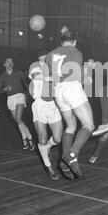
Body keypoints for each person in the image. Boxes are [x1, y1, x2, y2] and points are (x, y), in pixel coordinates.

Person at [45, 26, 95, 177]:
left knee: (71, 126)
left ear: (61, 41)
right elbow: (79, 76)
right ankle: (72, 154)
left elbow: (52, 77)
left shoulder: (50, 54)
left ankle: (64, 161)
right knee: (88, 125)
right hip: (72, 88)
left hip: (58, 92)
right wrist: (89, 72)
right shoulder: (76, 52)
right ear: (74, 42)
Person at [28, 50, 73, 180]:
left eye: (46, 59)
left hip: (54, 105)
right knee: (42, 137)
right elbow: (35, 76)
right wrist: (51, 78)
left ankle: (47, 147)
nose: (43, 62)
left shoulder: (55, 70)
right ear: (38, 60)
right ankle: (48, 166)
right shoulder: (35, 67)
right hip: (39, 105)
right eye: (41, 60)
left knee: (58, 139)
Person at [0, 57, 34, 150]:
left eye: (11, 62)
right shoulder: (2, 76)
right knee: (18, 120)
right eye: (8, 62)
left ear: (13, 64)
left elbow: (26, 84)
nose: (10, 63)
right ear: (4, 64)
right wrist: (5, 89)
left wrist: (27, 94)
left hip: (20, 96)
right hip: (10, 98)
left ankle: (24, 140)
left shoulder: (19, 73)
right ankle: (30, 138)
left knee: (18, 118)